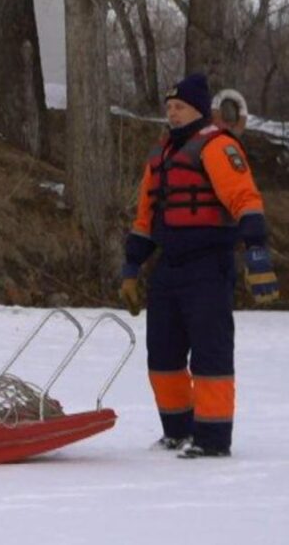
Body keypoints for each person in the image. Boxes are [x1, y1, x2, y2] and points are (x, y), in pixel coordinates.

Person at [119, 73, 280, 459]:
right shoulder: (160, 156)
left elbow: (245, 200)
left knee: (210, 354)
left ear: (198, 109)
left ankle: (212, 438)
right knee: (162, 354)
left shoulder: (217, 147)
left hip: (209, 267)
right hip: (168, 268)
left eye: (180, 107)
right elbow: (145, 219)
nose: (172, 114)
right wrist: (131, 268)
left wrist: (256, 254)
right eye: (169, 108)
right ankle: (176, 430)